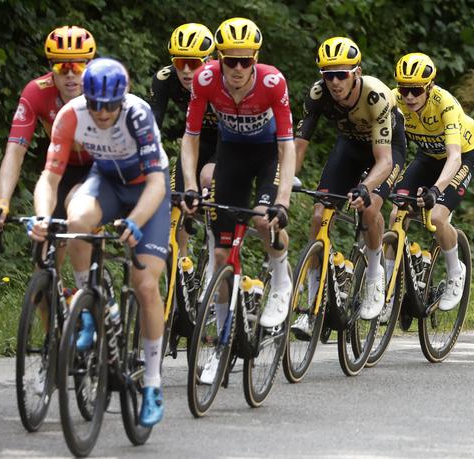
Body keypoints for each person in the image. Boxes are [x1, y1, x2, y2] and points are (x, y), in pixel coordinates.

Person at [30, 58, 170, 427]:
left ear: (122, 100)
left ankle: (153, 384)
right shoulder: (72, 114)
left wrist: (136, 221)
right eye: (95, 103)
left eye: (110, 105)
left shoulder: (138, 115)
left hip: (146, 191)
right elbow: (50, 177)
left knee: (144, 284)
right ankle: (88, 302)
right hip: (106, 181)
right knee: (75, 221)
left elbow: (157, 183)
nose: (103, 112)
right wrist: (44, 216)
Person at [180, 17, 296, 330]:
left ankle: (282, 281)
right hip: (230, 154)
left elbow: (287, 146)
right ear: (219, 59)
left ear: (255, 60)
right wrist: (191, 186)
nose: (238, 68)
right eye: (231, 60)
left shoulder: (272, 82)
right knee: (220, 255)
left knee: (262, 218)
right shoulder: (205, 79)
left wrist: (282, 200)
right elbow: (190, 138)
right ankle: (223, 337)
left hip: (267, 154)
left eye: (245, 61)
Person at [291, 36, 406, 337]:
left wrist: (366, 187)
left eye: (341, 74)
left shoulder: (376, 96)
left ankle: (374, 273)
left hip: (386, 150)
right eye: (328, 75)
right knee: (319, 215)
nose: (335, 81)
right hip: (349, 147)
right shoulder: (317, 95)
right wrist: (283, 181)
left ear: (356, 72)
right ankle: (312, 302)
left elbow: (383, 160)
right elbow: (299, 146)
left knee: (369, 208)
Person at [0, 26, 95, 278]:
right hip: (62, 169)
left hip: (99, 167)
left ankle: (91, 289)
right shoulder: (36, 93)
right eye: (62, 67)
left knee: (76, 207)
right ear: (51, 68)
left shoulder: (103, 89)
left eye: (78, 67)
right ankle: (54, 305)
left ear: (90, 66)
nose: (70, 75)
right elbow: (15, 151)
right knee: (43, 259)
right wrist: (3, 201)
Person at [391, 52, 474, 311]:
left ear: (429, 87)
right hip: (427, 155)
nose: (409, 97)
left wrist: (436, 190)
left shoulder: (446, 104)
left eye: (416, 90)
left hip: (460, 157)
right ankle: (389, 282)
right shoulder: (393, 100)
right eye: (404, 89)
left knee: (438, 216)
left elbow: (453, 157)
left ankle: (455, 272)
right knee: (396, 211)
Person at [150, 22, 218, 206]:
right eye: (180, 62)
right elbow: (154, 122)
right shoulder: (164, 79)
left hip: (227, 142)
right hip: (195, 139)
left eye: (193, 63)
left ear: (209, 60)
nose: (186, 70)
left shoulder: (224, 79)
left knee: (207, 178)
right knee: (176, 199)